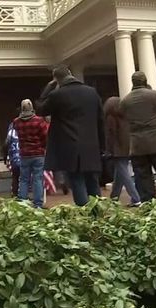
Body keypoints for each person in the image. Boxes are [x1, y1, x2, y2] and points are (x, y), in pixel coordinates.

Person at [36, 65, 105, 206]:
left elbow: (40, 109)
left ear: (57, 80)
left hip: (69, 146)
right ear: (70, 74)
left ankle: (84, 212)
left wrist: (48, 88)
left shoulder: (57, 95)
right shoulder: (92, 92)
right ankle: (97, 213)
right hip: (91, 145)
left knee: (77, 180)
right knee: (92, 180)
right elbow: (100, 120)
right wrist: (102, 146)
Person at [120, 71, 156, 202]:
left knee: (143, 175)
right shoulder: (153, 95)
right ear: (145, 81)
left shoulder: (126, 100)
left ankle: (148, 201)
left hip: (137, 143)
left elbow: (123, 115)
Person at [103, 97, 141, 206]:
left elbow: (111, 135)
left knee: (124, 174)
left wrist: (108, 149)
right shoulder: (126, 116)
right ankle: (114, 198)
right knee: (119, 174)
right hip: (127, 147)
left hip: (116, 148)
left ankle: (136, 198)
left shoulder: (110, 117)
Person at [13, 99, 48, 208]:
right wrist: (43, 146)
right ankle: (38, 204)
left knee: (24, 179)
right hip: (38, 153)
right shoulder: (39, 121)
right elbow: (45, 136)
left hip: (24, 154)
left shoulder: (16, 122)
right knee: (37, 179)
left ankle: (23, 202)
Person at [5, 122, 21, 197]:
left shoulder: (10, 133)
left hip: (14, 158)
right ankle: (23, 195)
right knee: (24, 177)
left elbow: (6, 144)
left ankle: (15, 194)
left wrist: (5, 158)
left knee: (15, 176)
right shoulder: (25, 131)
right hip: (24, 157)